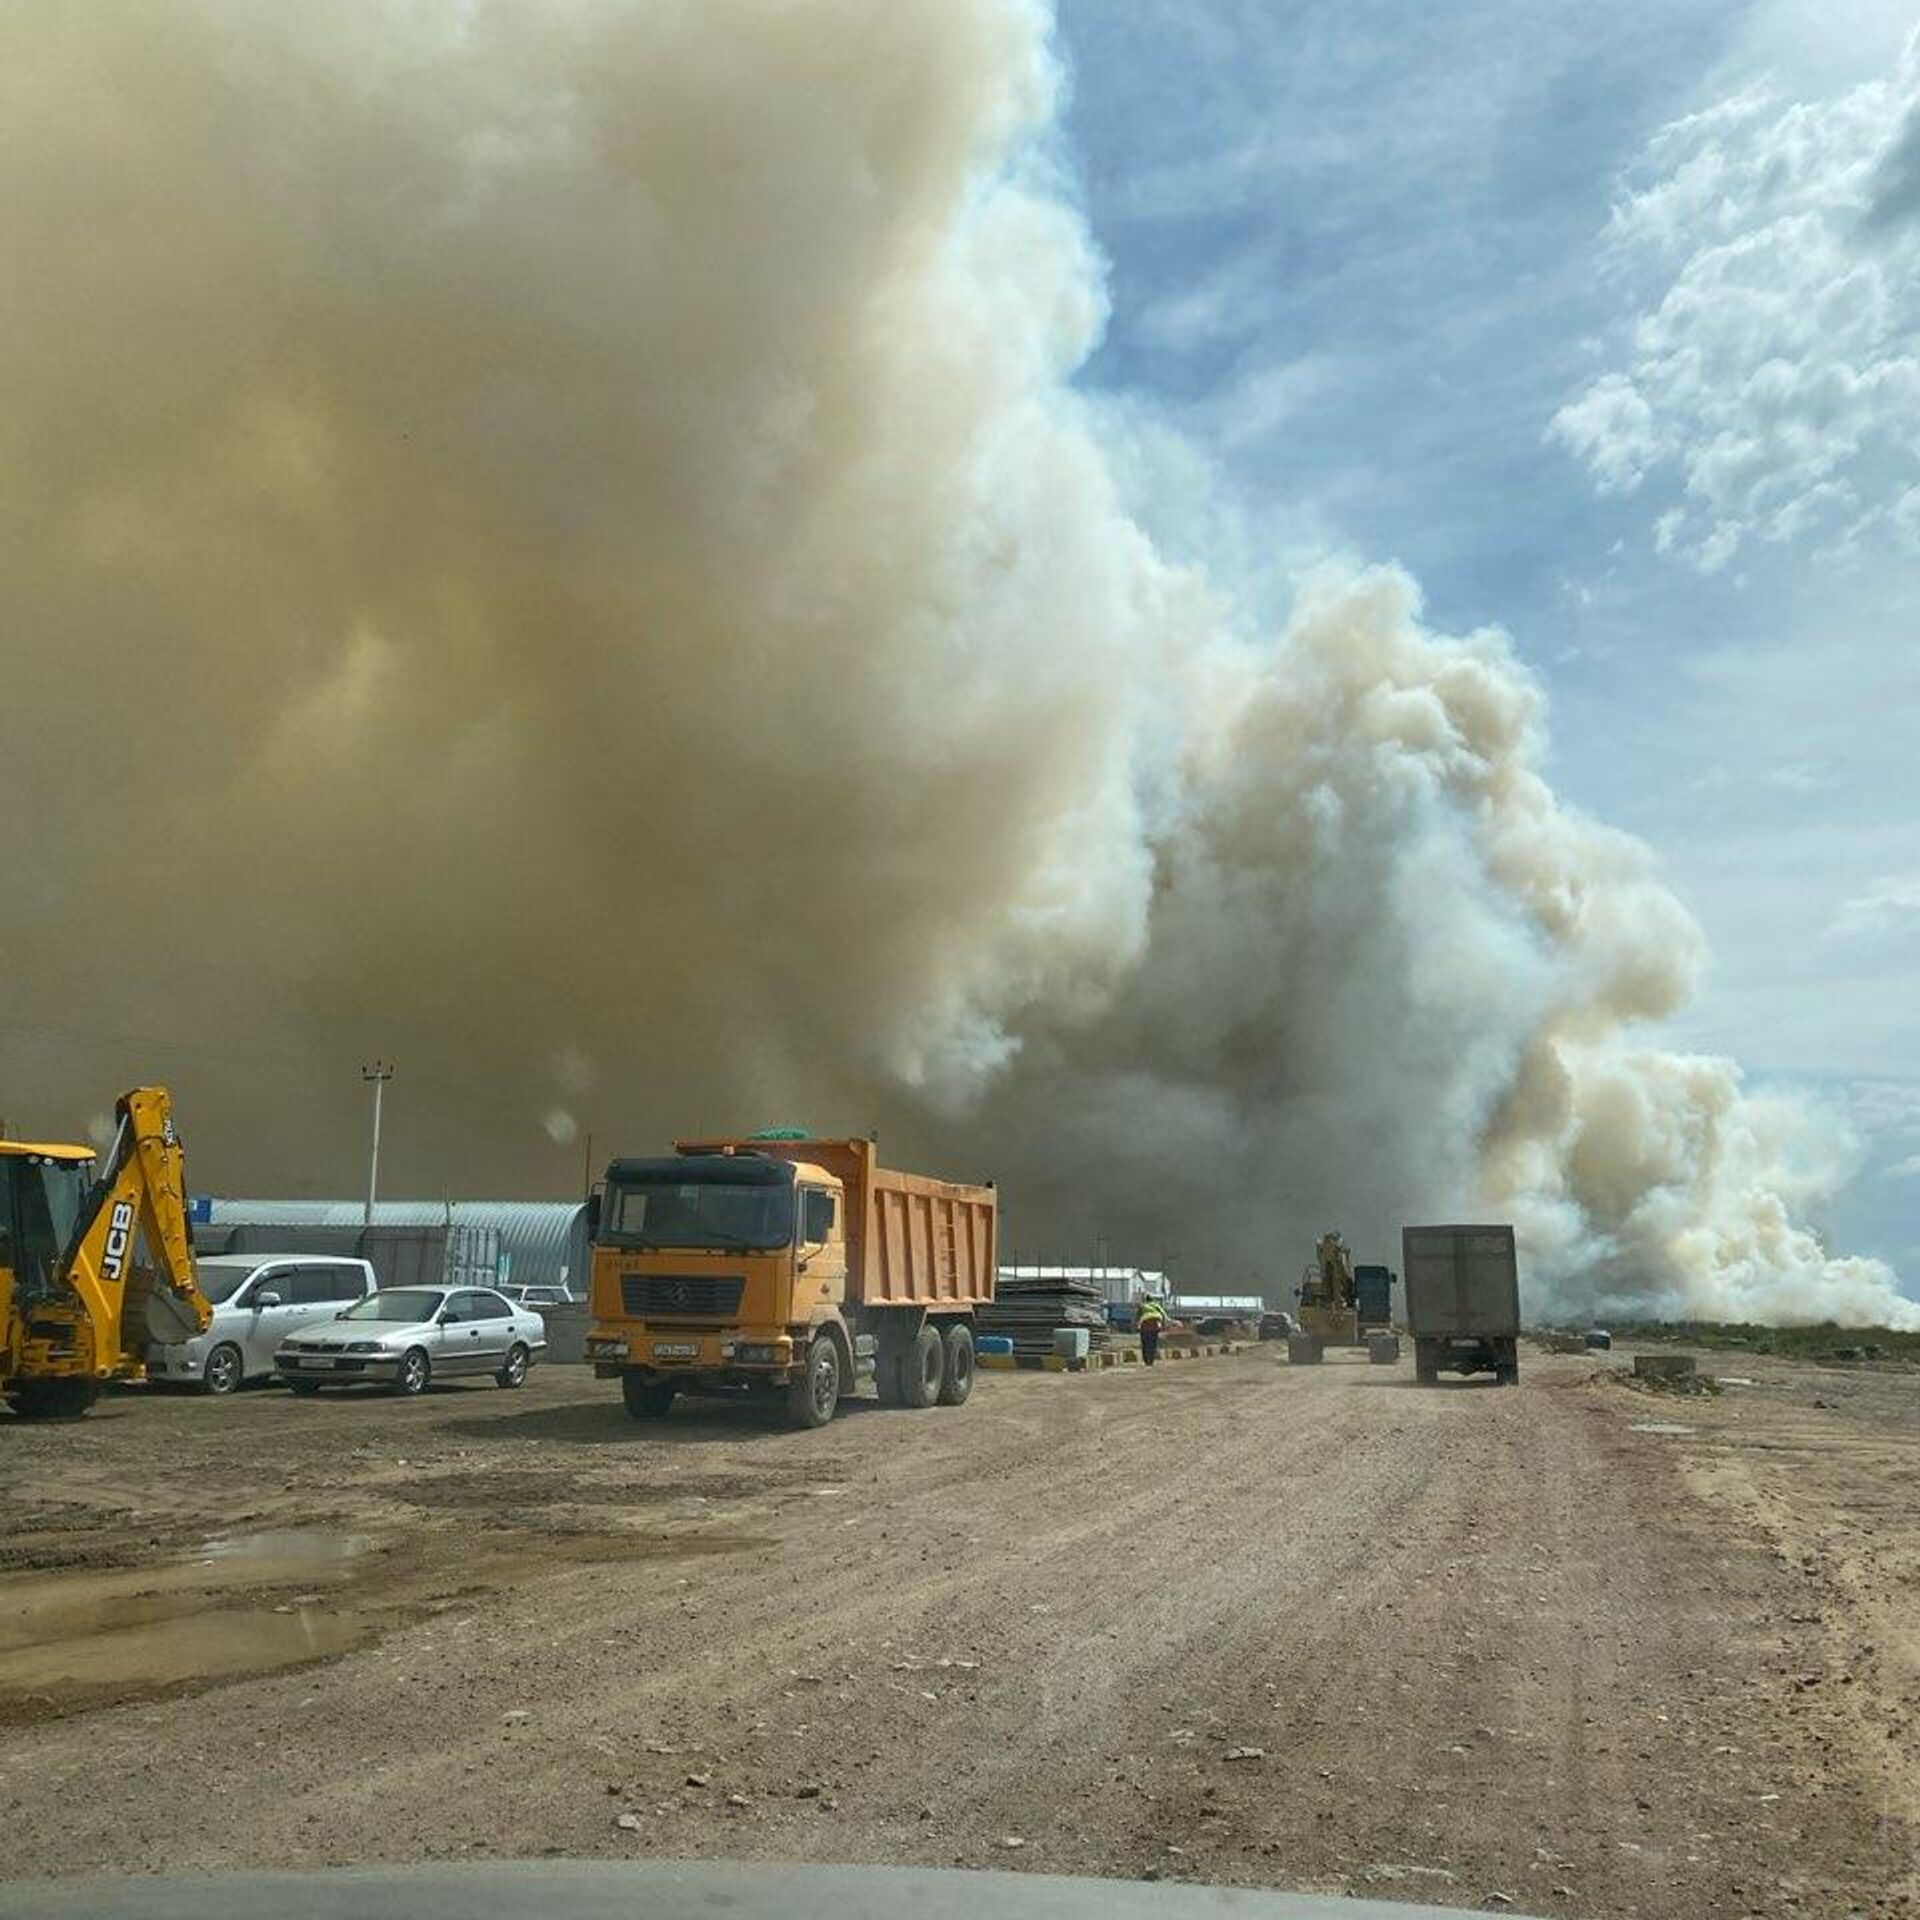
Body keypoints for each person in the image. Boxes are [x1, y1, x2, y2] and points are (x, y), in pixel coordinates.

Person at [1136, 1295, 1167, 1366]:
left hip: (1144, 1328)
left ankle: (1146, 1360)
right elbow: (1164, 1315)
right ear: (1152, 1300)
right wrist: (1163, 1326)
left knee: (1145, 1345)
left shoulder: (1142, 1306)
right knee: (1153, 1345)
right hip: (1154, 1328)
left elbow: (1138, 1317)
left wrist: (1136, 1326)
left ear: (1145, 1300)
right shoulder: (1156, 1306)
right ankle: (1151, 1360)